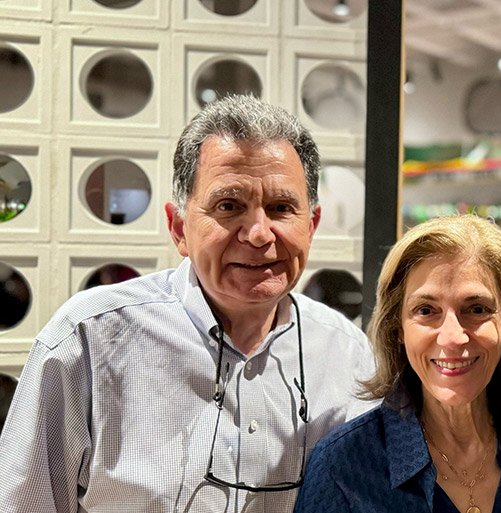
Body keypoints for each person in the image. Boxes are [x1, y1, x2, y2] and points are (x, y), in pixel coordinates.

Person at [0, 95, 375, 512]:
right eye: (229, 206)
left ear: (312, 225)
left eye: (281, 208)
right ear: (179, 228)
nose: (259, 234)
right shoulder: (87, 342)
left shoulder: (346, 354)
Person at [295, 215, 501, 513]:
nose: (452, 338)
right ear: (398, 329)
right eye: (426, 310)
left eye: (477, 309)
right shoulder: (345, 466)